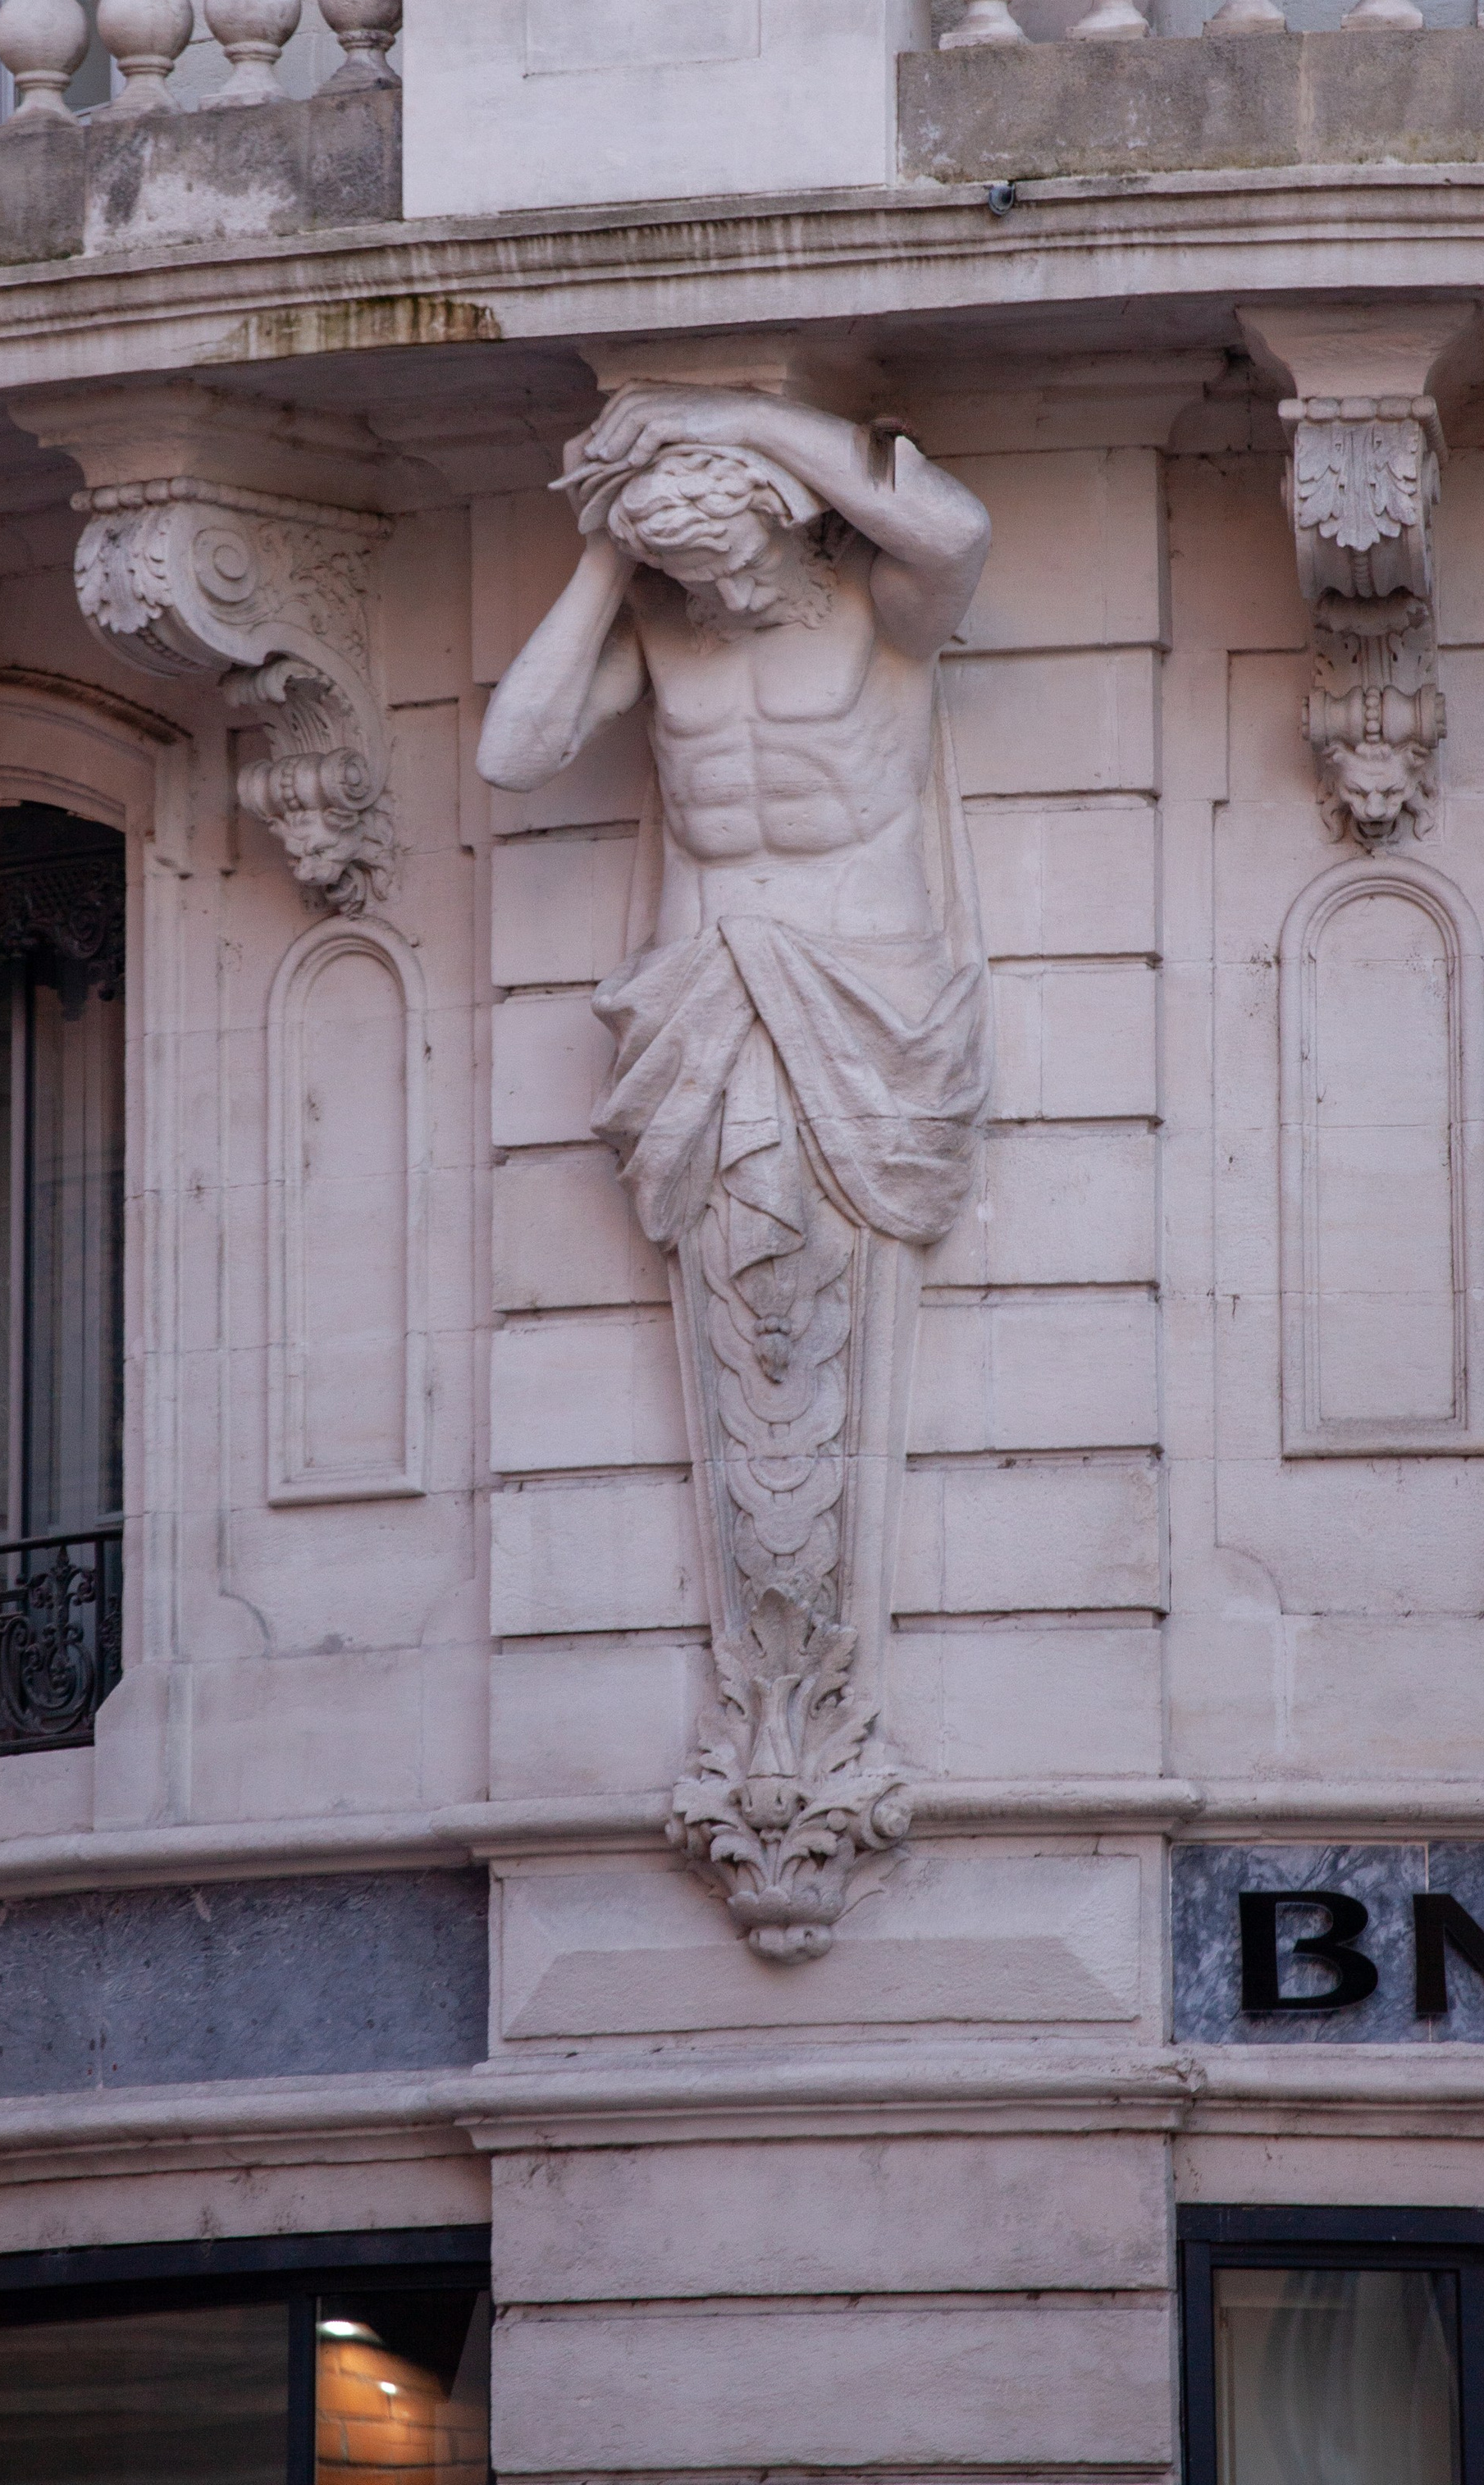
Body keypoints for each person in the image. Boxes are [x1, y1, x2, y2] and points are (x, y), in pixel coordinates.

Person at [478, 384, 998, 1961]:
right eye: (681, 567)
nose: (721, 596)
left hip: (858, 990)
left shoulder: (880, 617)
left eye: (731, 559)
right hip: (711, 992)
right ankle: (778, 1702)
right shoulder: (661, 626)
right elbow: (515, 751)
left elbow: (955, 528)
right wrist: (594, 562)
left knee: (816, 1312)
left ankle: (811, 1710)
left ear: (783, 516)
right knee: (751, 1305)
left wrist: (743, 417)